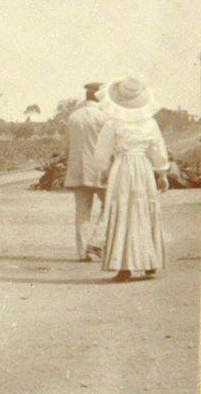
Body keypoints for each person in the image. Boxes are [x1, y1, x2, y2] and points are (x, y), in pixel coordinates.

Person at [93, 75, 169, 282]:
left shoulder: (113, 122)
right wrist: (161, 173)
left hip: (123, 168)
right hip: (144, 167)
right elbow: (158, 150)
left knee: (125, 210)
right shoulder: (150, 123)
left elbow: (102, 152)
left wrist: (102, 171)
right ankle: (149, 263)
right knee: (143, 210)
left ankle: (124, 266)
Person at [64, 81, 108, 261]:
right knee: (111, 206)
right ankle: (97, 242)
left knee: (82, 212)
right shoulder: (105, 117)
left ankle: (83, 253)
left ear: (87, 95)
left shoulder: (73, 117)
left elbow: (67, 147)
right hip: (101, 170)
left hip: (78, 170)